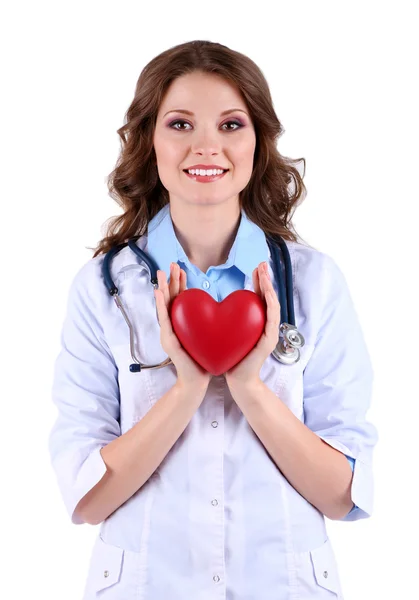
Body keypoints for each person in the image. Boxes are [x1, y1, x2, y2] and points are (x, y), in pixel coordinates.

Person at [48, 40, 378, 600]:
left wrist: (249, 387)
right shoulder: (103, 289)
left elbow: (343, 496)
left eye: (231, 124)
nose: (207, 146)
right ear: (149, 140)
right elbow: (86, 498)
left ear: (258, 142)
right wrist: (187, 387)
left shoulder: (314, 283)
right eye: (180, 123)